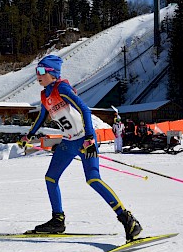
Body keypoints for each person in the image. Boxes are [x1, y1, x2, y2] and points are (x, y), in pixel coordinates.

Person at [17, 55, 142, 241]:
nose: (38, 75)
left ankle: (128, 219)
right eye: (37, 71)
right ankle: (57, 220)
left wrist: (90, 137)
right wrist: (29, 135)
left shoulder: (62, 88)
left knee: (93, 179)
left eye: (42, 71)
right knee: (51, 178)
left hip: (84, 140)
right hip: (68, 143)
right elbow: (42, 116)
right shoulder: (45, 95)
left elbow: (85, 110)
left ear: (52, 74)